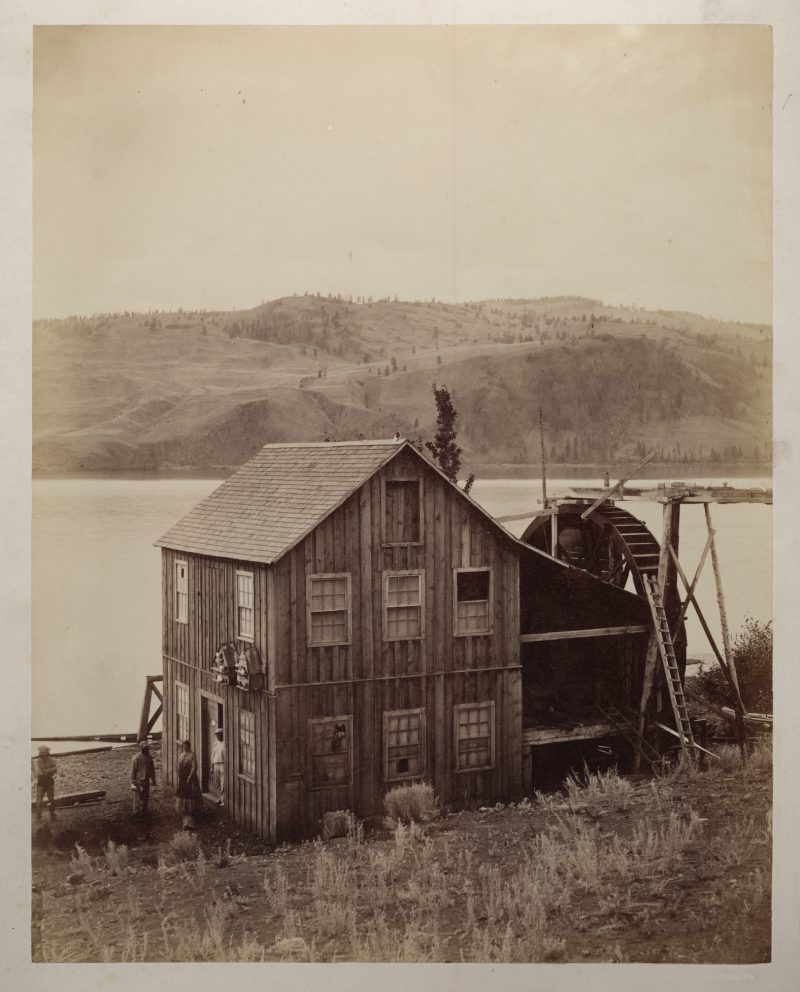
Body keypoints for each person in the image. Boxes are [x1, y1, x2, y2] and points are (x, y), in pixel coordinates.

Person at [175, 739, 202, 829]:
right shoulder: (181, 755)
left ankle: (191, 818)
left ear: (189, 746)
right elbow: (178, 766)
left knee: (190, 795)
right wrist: (179, 776)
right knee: (183, 795)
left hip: (190, 778)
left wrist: (190, 777)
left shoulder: (192, 755)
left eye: (186, 745)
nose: (185, 747)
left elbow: (194, 767)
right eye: (184, 746)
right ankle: (184, 815)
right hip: (182, 778)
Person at [130, 740, 157, 816]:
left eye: (147, 748)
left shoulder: (149, 758)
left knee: (145, 796)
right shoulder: (136, 758)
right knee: (137, 797)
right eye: (145, 748)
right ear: (141, 748)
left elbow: (152, 770)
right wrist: (133, 782)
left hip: (146, 780)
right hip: (138, 781)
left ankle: (144, 811)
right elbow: (133, 771)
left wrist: (153, 780)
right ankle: (136, 812)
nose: (147, 749)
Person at [33, 745, 57, 821]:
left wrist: (49, 770)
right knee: (39, 800)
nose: (44, 753)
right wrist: (51, 770)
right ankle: (38, 817)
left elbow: (56, 769)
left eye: (45, 751)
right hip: (42, 781)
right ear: (40, 753)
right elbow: (45, 771)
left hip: (49, 780)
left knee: (51, 799)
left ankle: (52, 816)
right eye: (42, 752)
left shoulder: (51, 760)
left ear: (48, 752)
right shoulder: (39, 761)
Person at [211, 728, 225, 806]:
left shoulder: (224, 744)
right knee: (217, 783)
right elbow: (212, 755)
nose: (218, 736)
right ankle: (219, 797)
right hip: (216, 764)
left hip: (223, 764)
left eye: (219, 735)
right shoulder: (216, 743)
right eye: (217, 735)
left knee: (223, 782)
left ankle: (223, 800)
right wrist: (211, 766)